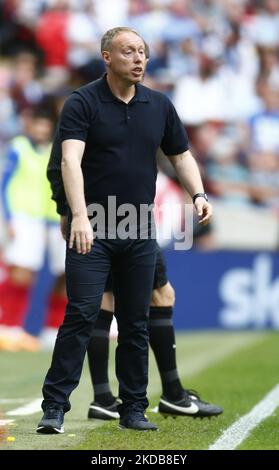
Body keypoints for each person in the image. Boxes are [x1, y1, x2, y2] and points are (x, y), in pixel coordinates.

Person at [37, 26, 212, 435]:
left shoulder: (159, 105)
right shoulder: (82, 103)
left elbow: (180, 153)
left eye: (142, 52)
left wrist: (198, 193)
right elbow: (68, 162)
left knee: (135, 321)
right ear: (107, 57)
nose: (138, 59)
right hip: (93, 227)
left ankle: (134, 408)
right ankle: (55, 407)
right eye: (129, 52)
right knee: (81, 313)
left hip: (138, 228)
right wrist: (77, 215)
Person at [47, 129, 223, 421]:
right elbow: (62, 164)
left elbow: (59, 164)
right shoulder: (107, 111)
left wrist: (65, 209)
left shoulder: (87, 110)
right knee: (159, 295)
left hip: (100, 220)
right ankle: (173, 394)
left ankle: (104, 396)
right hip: (126, 220)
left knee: (104, 301)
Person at [0, 106, 66, 352]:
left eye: (45, 125)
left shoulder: (55, 150)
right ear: (31, 125)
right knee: (22, 272)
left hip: (51, 219)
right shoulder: (19, 147)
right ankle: (8, 326)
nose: (41, 129)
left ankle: (52, 329)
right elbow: (4, 184)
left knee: (66, 273)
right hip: (23, 218)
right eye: (37, 124)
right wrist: (9, 219)